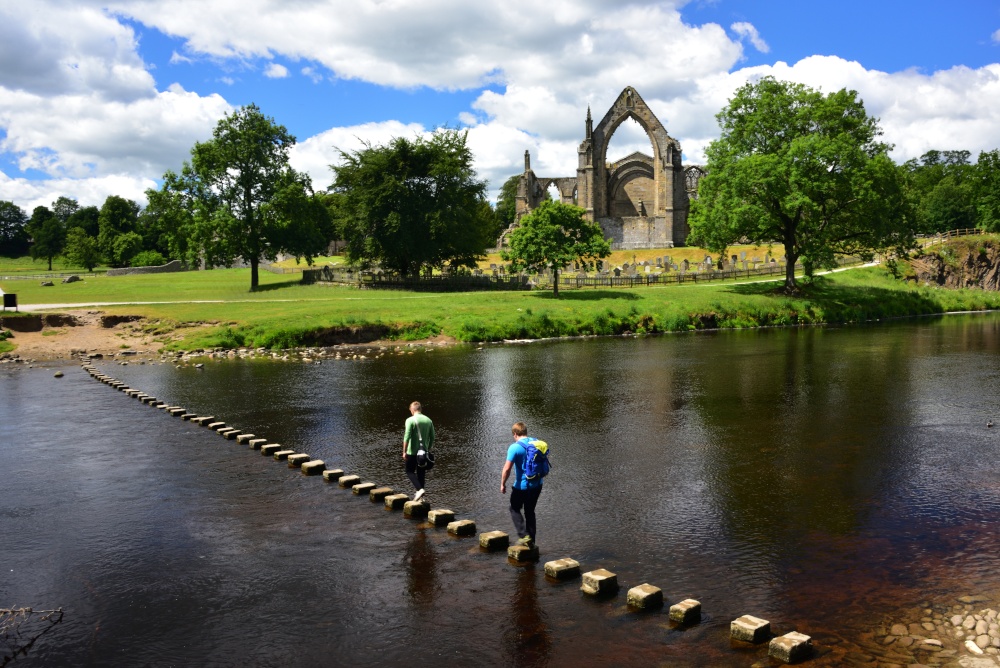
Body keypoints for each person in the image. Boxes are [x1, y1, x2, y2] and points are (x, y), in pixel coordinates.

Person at [500, 422, 542, 547]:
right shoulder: (537, 442)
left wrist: (503, 484)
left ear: (515, 434)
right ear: (526, 432)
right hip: (538, 484)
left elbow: (507, 469)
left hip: (522, 486)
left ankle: (524, 536)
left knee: (514, 508)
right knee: (530, 512)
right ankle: (532, 542)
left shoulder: (515, 447)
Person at [402, 401, 434, 501]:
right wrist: (427, 449)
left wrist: (404, 451)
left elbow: (406, 437)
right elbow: (432, 437)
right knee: (421, 473)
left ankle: (419, 490)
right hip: (423, 452)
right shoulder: (428, 420)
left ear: (413, 409)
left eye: (410, 410)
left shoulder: (410, 420)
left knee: (409, 471)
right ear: (420, 409)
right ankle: (421, 499)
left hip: (412, 451)